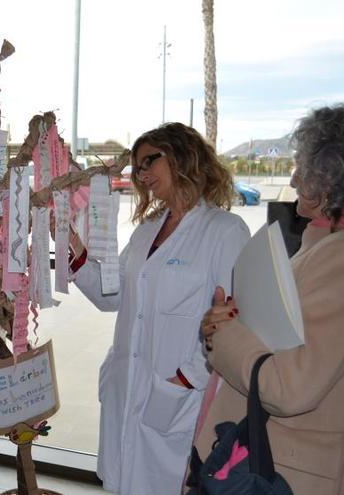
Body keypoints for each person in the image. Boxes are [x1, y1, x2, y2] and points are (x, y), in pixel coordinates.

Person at [68, 122, 250, 494]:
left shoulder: (224, 230)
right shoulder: (147, 230)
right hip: (128, 384)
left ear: (185, 155)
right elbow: (112, 296)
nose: (143, 174)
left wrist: (187, 378)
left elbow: (234, 317)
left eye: (151, 160)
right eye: (138, 167)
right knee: (123, 481)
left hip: (178, 393)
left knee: (167, 483)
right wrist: (74, 249)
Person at [198, 102, 344, 495]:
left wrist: (227, 335)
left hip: (282, 472)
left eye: (304, 170)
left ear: (333, 176)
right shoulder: (326, 245)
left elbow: (290, 387)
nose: (293, 177)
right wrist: (228, 323)